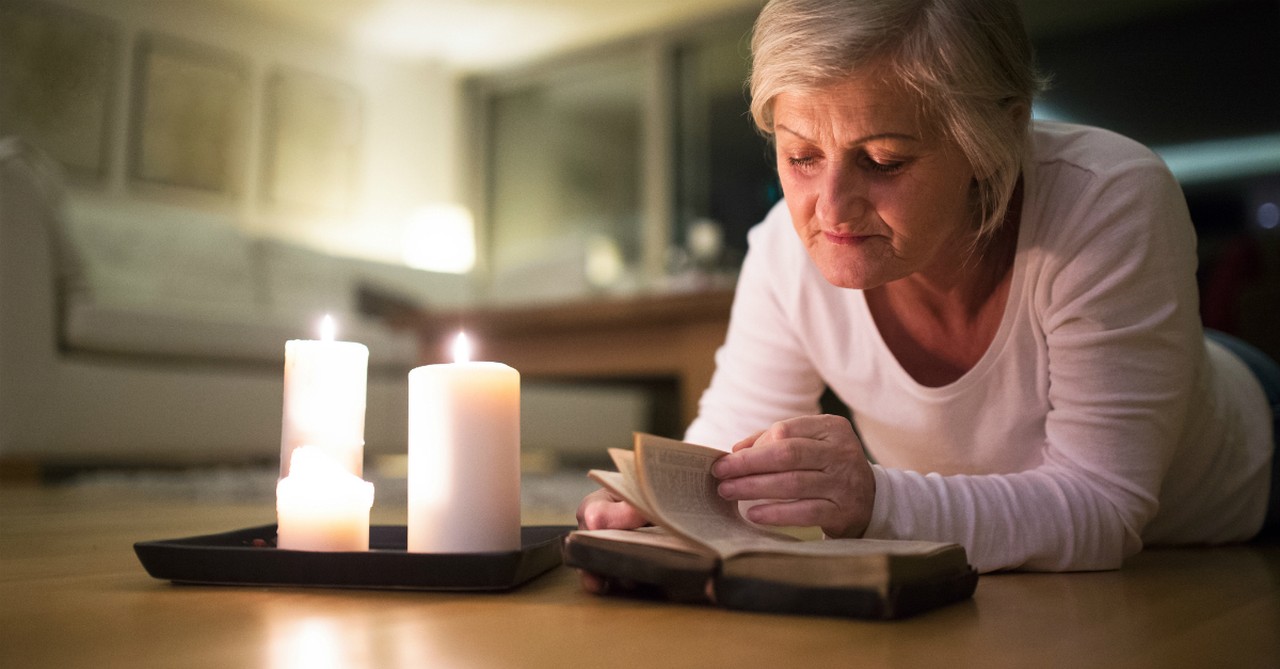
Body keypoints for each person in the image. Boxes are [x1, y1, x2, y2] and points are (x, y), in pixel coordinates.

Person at [577, 0, 1278, 575]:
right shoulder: (782, 251)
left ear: (994, 138)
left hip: (1242, 469)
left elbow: (1102, 507)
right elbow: (733, 451)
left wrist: (875, 497)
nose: (830, 207)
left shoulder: (1107, 200)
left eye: (882, 160)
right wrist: (668, 503)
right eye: (801, 155)